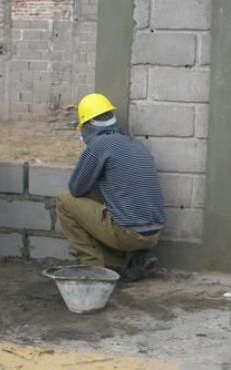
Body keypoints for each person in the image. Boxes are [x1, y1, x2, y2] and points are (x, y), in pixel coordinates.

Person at [56, 93, 166, 282]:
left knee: (64, 201)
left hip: (127, 234)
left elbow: (76, 189)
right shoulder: (134, 144)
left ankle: (91, 266)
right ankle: (138, 258)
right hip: (154, 235)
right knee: (116, 209)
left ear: (88, 126)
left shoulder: (99, 145)